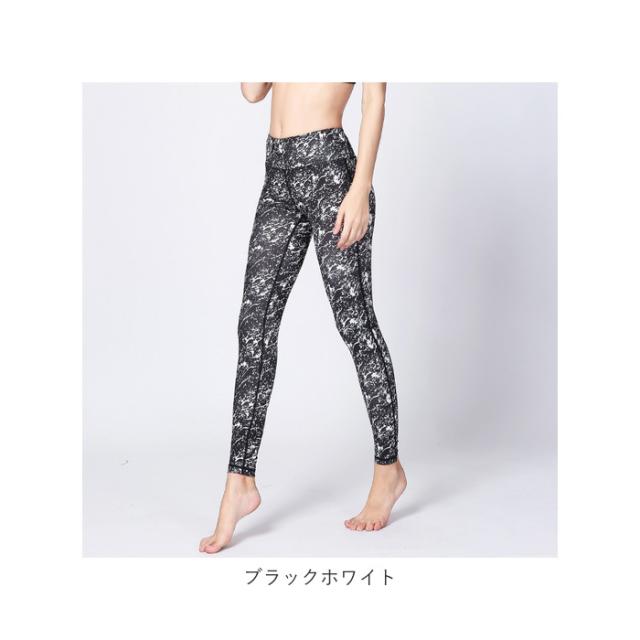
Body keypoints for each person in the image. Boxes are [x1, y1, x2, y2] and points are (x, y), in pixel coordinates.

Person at [199, 82, 407, 554]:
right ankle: (240, 482)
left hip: (331, 172)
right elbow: (253, 91)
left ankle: (388, 469)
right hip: (277, 174)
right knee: (254, 327)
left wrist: (360, 188)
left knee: (355, 324)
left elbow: (374, 99)